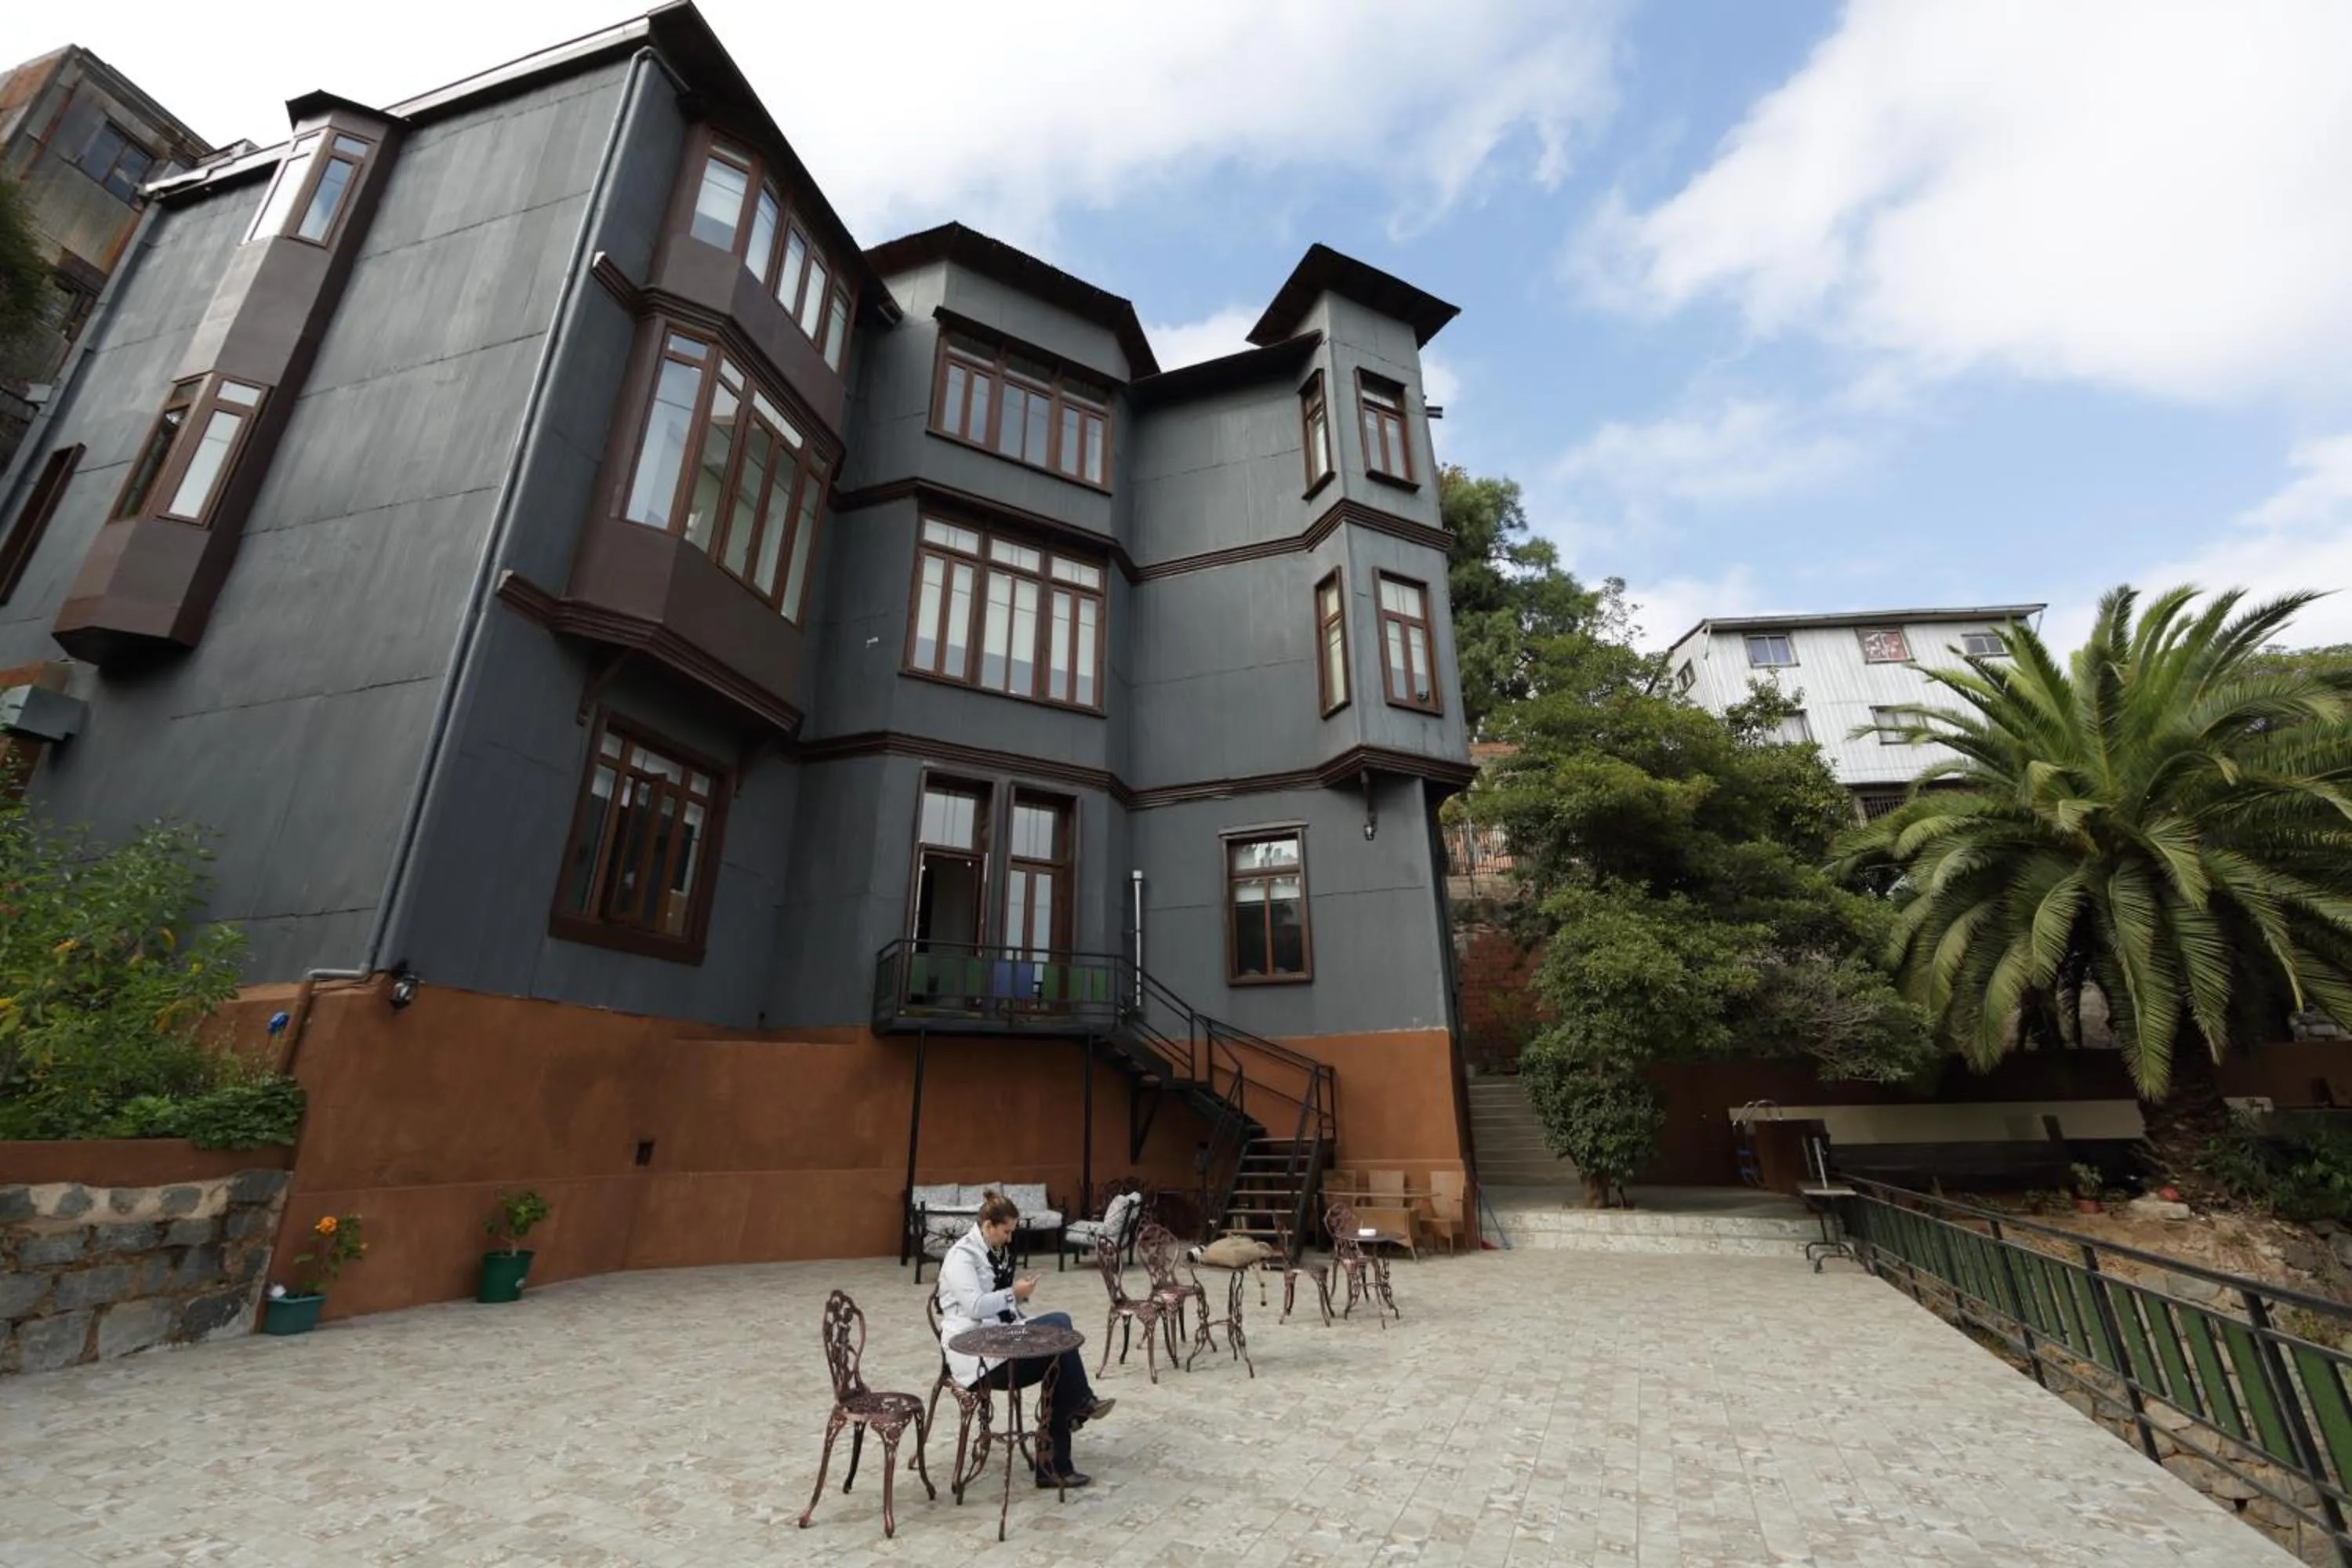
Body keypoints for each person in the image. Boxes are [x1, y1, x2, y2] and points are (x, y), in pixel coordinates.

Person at [936, 1191, 1114, 1487]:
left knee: (1060, 1332)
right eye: (1006, 1232)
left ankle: (1072, 1421)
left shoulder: (991, 1252)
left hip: (999, 1342)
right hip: (977, 1359)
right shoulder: (960, 1257)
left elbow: (999, 1309)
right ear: (988, 1225)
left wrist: (1018, 1308)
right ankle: (1069, 1430)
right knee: (1059, 1337)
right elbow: (975, 1307)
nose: (1008, 1239)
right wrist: (1013, 1293)